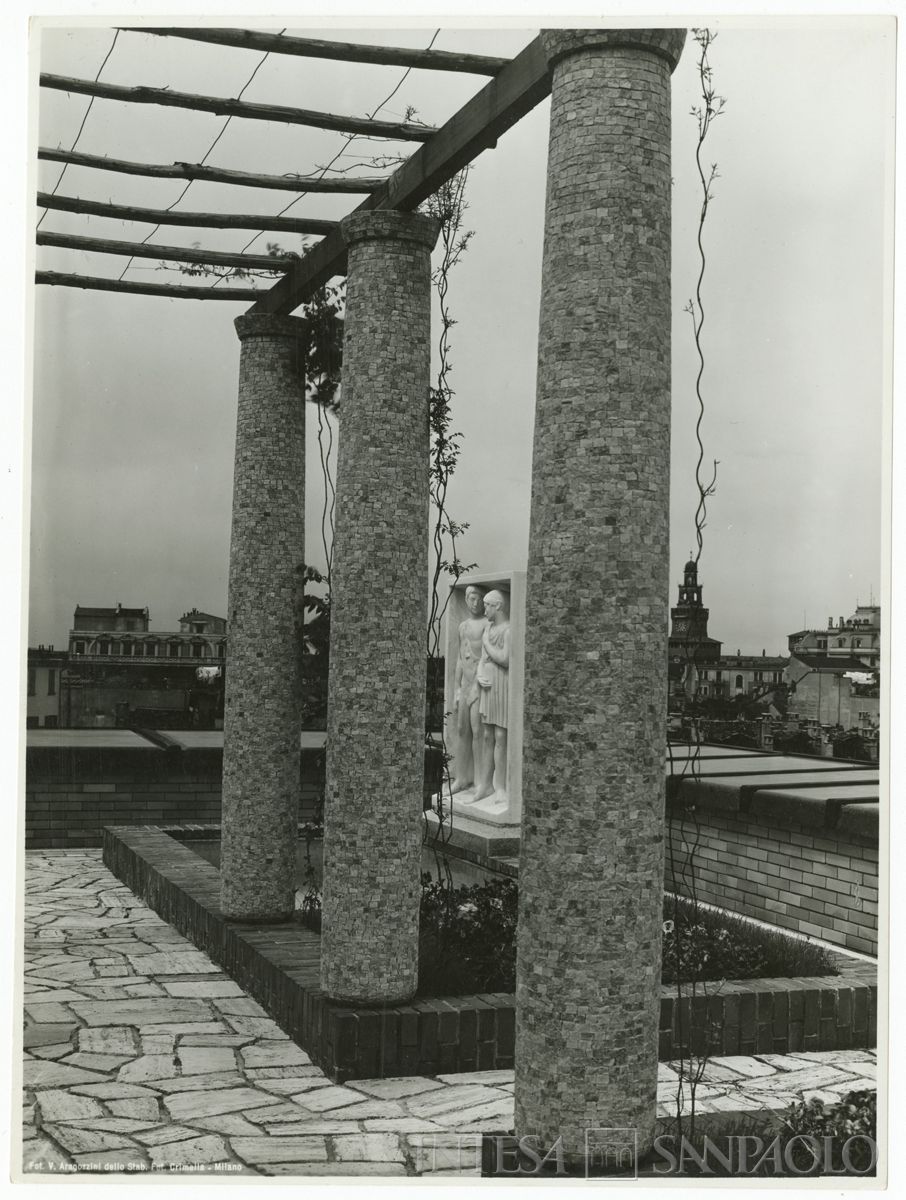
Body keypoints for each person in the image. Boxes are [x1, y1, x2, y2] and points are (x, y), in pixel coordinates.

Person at [472, 589, 511, 803]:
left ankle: (501, 787)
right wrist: (479, 673)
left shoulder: (507, 630)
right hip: (486, 685)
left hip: (501, 684)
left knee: (500, 737)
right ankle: (485, 785)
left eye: (487, 605)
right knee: (487, 735)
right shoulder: (489, 627)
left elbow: (505, 659)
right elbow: (482, 659)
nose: (483, 609)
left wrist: (486, 643)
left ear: (497, 606)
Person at [449, 585, 487, 794]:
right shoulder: (463, 626)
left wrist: (478, 685)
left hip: (479, 684)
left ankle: (481, 780)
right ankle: (461, 777)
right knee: (462, 730)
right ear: (466, 600)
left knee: (478, 730)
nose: (475, 603)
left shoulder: (487, 624)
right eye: (472, 599)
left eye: (478, 599)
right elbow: (459, 661)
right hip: (464, 685)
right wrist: (456, 689)